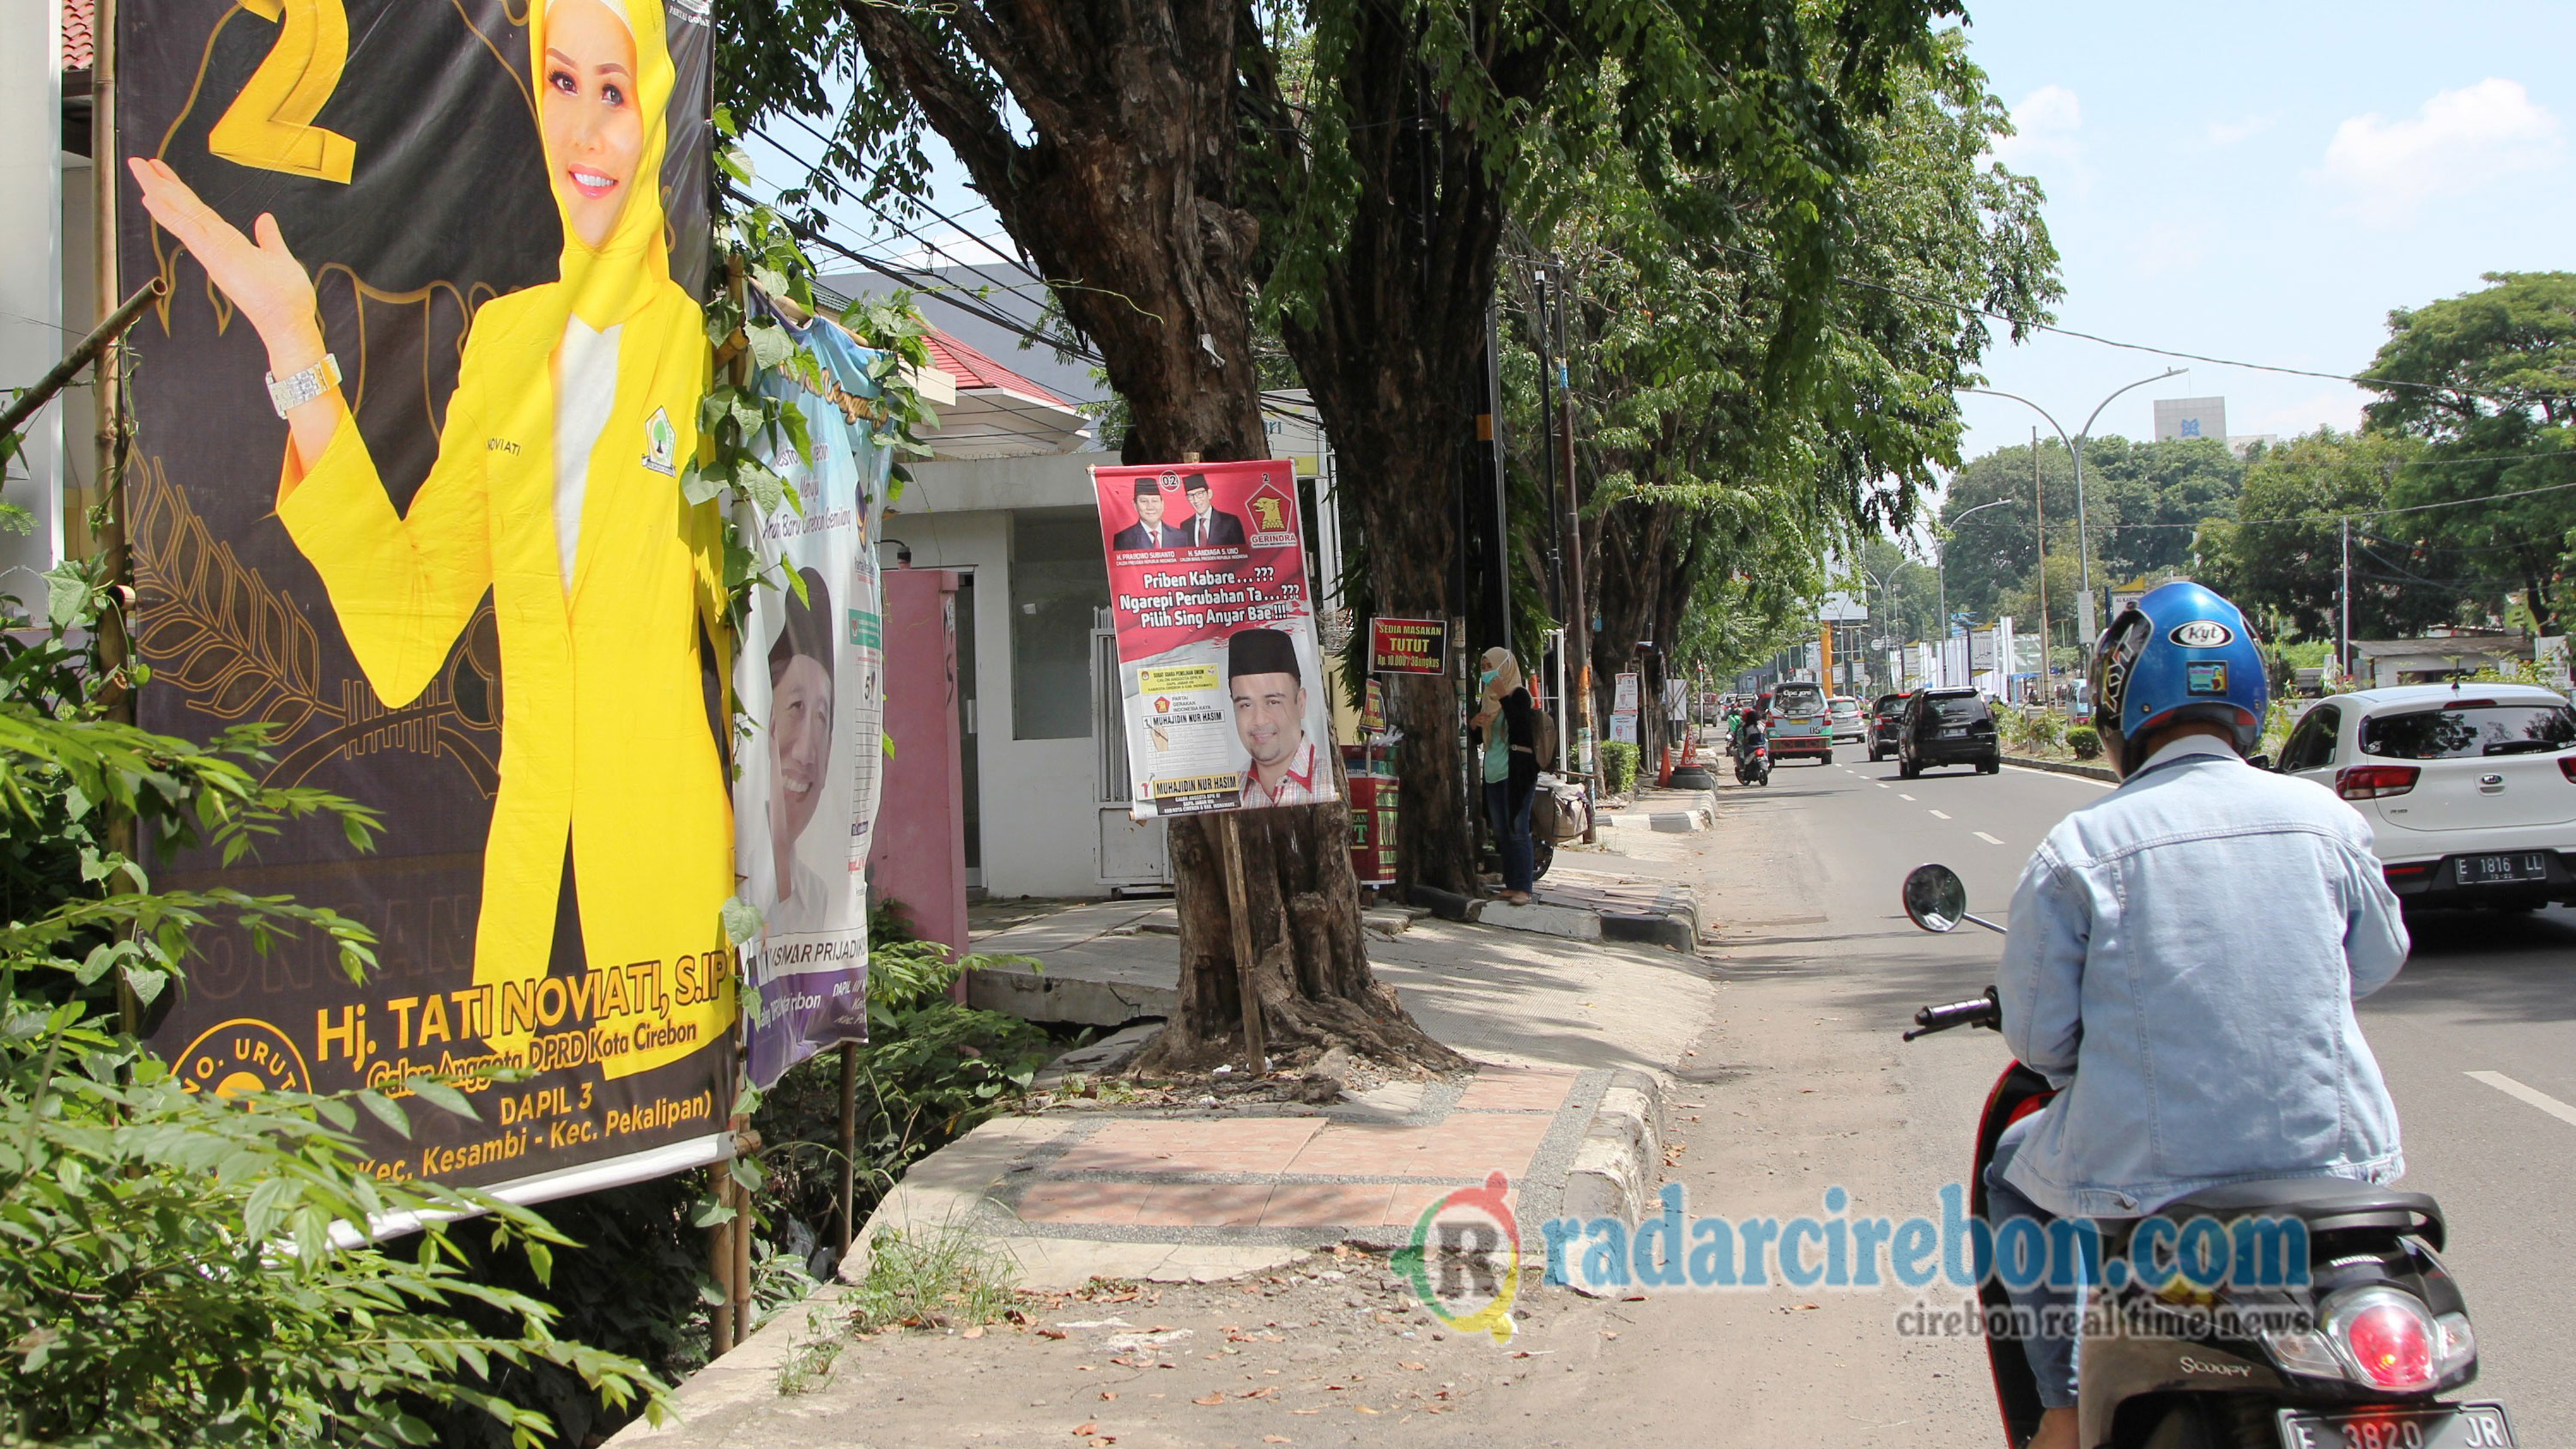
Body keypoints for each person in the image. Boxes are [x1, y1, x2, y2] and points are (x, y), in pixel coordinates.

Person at [127, 0, 728, 1075]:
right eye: (559, 82)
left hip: (667, 913)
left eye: (614, 89)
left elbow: (764, 633)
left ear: (655, 113)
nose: (586, 128)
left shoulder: (704, 352)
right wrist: (294, 342)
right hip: (523, 932)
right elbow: (405, 632)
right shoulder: (504, 343)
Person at [1987, 580, 2409, 1449]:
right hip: (2342, 1171)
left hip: (2149, 1189)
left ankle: (2063, 1408)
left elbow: (2037, 1040)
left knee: (2008, 1166)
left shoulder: (2081, 846)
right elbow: (2376, 960)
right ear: (2247, 699)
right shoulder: (2326, 819)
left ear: (2119, 708)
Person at [761, 567, 838, 937]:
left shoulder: (818, 897)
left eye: (822, 717)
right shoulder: (724, 880)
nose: (807, 752)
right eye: (795, 708)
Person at [1228, 627, 1325, 806]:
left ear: (1301, 703)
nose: (1259, 720)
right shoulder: (1229, 793)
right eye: (1246, 705)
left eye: (1273, 702)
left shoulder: (1328, 782)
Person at [1471, 646, 1539, 902]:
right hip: (1493, 770)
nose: (1488, 672)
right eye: (1484, 667)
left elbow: (1521, 728)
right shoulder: (1488, 698)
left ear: (1505, 667)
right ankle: (1511, 884)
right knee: (1500, 831)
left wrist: (1503, 696)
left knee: (1518, 828)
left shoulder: (1518, 695)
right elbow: (1481, 738)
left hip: (1517, 773)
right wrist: (1475, 725)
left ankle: (1524, 887)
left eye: (1492, 666)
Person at [1112, 476, 1184, 550]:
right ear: (1135, 505)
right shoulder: (1124, 538)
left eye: (1155, 501)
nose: (1150, 507)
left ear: (1162, 504)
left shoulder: (1181, 536)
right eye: (1144, 501)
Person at [1179, 473, 1247, 549]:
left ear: (1209, 494)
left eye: (1199, 494)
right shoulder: (1185, 526)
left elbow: (1242, 554)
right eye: (1191, 496)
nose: (1196, 500)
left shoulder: (1229, 522)